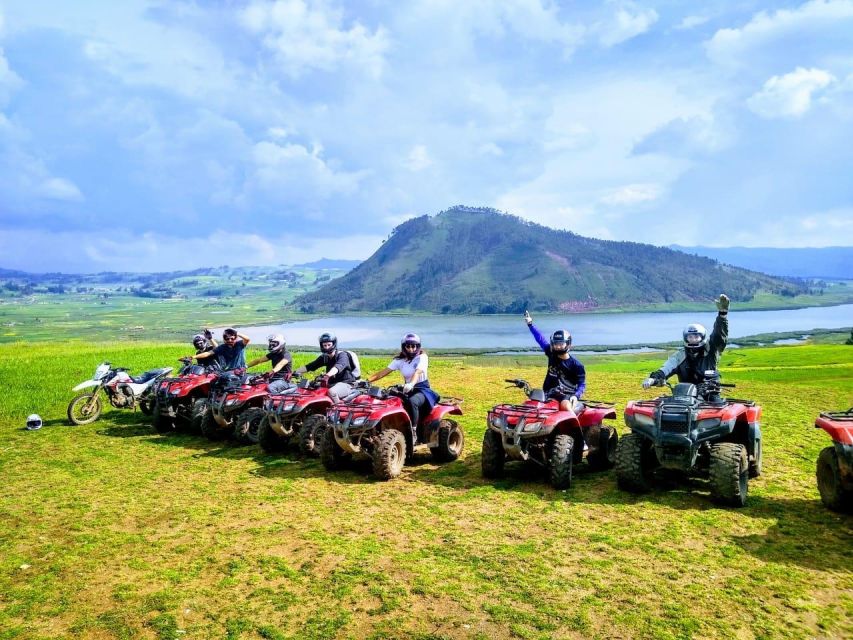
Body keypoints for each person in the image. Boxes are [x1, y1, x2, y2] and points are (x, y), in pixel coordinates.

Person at [643, 294, 730, 389]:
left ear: (703, 337)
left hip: (710, 394)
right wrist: (653, 379)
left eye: (696, 336)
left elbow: (719, 337)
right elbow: (666, 369)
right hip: (685, 396)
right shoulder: (680, 356)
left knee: (716, 402)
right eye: (690, 337)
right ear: (685, 338)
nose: (693, 339)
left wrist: (722, 315)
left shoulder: (711, 350)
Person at [368, 333, 439, 443]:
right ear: (404, 347)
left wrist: (411, 384)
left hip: (421, 389)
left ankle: (414, 431)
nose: (411, 349)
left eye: (414, 346)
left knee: (412, 402)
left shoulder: (422, 357)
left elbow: (418, 372)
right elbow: (383, 372)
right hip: (406, 389)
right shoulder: (399, 360)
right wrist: (366, 381)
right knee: (388, 400)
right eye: (408, 346)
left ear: (418, 346)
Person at [524, 311, 586, 413]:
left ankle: (577, 428)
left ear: (568, 345)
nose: (558, 346)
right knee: (531, 407)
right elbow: (540, 339)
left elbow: (582, 384)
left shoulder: (576, 365)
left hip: (567, 395)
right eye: (556, 344)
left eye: (561, 344)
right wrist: (530, 325)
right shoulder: (551, 353)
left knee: (565, 407)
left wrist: (576, 395)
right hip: (548, 393)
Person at [294, 332, 358, 403]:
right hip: (331, 383)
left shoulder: (342, 355)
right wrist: (295, 372)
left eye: (329, 345)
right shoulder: (325, 357)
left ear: (333, 344)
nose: (327, 347)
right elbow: (310, 366)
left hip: (346, 384)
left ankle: (338, 408)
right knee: (310, 387)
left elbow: (337, 367)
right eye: (325, 345)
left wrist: (327, 375)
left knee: (332, 392)